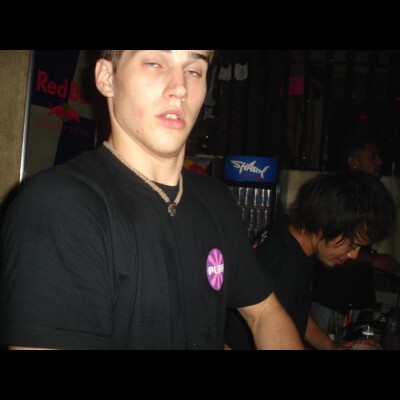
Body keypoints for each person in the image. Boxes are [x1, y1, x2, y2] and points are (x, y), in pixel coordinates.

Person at [0, 50, 303, 350]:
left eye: (194, 70)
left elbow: (264, 312)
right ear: (106, 78)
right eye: (155, 63)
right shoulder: (59, 207)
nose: (180, 88)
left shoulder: (216, 199)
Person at [225, 172, 396, 350]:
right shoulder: (279, 270)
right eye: (352, 244)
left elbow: (294, 311)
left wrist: (331, 346)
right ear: (327, 220)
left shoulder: (293, 235)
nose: (354, 255)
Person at [311, 136, 400, 332]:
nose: (379, 162)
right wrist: (371, 259)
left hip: (355, 300)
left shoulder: (364, 197)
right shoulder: (342, 199)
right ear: (353, 162)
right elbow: (328, 251)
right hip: (332, 300)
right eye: (372, 157)